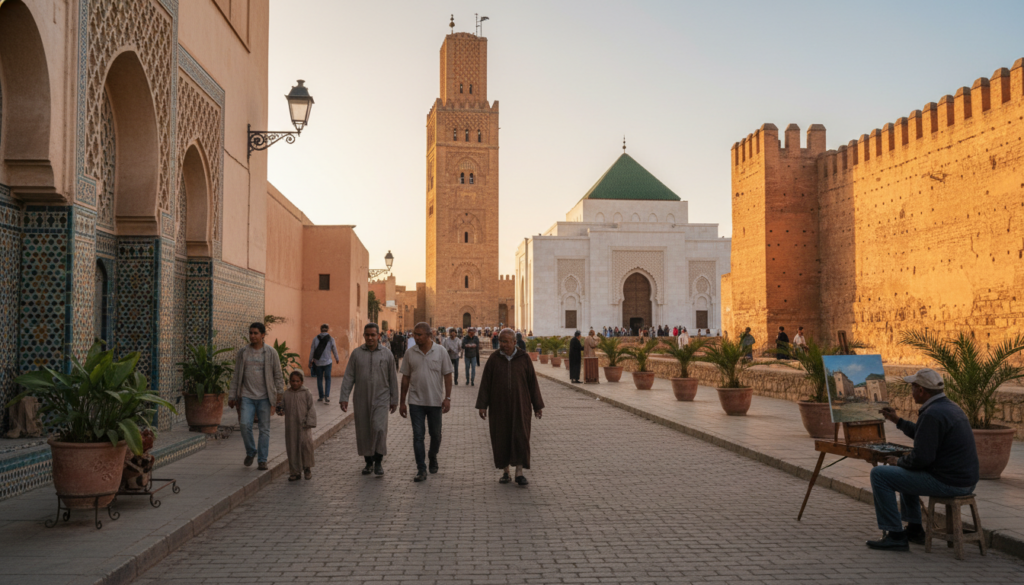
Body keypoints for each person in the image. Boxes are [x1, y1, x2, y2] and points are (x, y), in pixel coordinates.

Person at [867, 368, 979, 551]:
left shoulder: (932, 414)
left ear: (921, 390)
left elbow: (922, 458)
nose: (911, 392)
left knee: (880, 475)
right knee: (905, 472)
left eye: (912, 388)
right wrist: (898, 421)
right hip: (965, 480)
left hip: (950, 482)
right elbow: (925, 436)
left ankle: (895, 535)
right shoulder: (948, 407)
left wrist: (899, 462)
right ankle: (914, 529)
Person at [476, 329, 545, 487]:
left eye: (506, 341)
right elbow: (486, 383)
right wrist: (482, 405)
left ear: (515, 342)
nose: (503, 344)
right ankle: (505, 471)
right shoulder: (494, 359)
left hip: (521, 406)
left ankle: (519, 472)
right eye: (501, 341)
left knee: (521, 437)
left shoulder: (524, 358)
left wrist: (537, 406)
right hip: (499, 407)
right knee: (501, 437)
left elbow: (532, 383)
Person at [339, 323, 400, 477]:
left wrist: (394, 399)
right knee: (364, 429)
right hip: (361, 397)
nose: (370, 338)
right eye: (368, 335)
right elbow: (349, 377)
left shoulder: (387, 354)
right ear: (364, 336)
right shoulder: (356, 354)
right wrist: (344, 397)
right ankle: (368, 462)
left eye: (373, 335)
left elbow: (393, 378)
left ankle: (378, 461)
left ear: (379, 336)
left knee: (379, 428)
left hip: (381, 398)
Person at [399, 323, 453, 482]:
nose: (415, 337)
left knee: (436, 435)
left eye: (419, 334)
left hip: (435, 402)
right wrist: (402, 402)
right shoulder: (410, 353)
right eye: (415, 334)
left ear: (429, 335)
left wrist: (447, 398)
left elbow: (448, 375)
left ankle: (432, 455)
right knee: (418, 435)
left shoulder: (441, 352)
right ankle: (421, 469)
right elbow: (405, 378)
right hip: (416, 402)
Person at [228, 322, 284, 471]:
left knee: (264, 429)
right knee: (245, 425)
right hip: (247, 397)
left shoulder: (271, 353)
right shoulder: (243, 352)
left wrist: (280, 397)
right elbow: (236, 376)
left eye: (255, 333)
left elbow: (278, 375)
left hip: (265, 398)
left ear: (263, 335)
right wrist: (232, 395)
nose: (252, 336)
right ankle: (251, 451)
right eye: (251, 333)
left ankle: (262, 460)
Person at [282, 370, 317, 481]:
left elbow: (311, 408)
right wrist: (279, 409)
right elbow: (282, 408)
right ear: (290, 382)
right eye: (293, 381)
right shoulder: (287, 394)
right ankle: (295, 471)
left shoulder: (306, 393)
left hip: (304, 426)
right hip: (291, 426)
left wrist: (309, 422)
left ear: (301, 382)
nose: (295, 383)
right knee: (292, 448)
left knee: (305, 446)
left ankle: (307, 468)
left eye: (297, 381)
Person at [308, 324, 340, 404]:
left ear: (320, 329)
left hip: (318, 362)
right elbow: (334, 349)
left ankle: (321, 396)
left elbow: (312, 351)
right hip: (328, 362)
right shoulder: (331, 339)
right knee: (328, 379)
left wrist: (310, 361)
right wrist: (337, 358)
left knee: (319, 379)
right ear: (328, 329)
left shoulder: (315, 339)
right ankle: (327, 396)